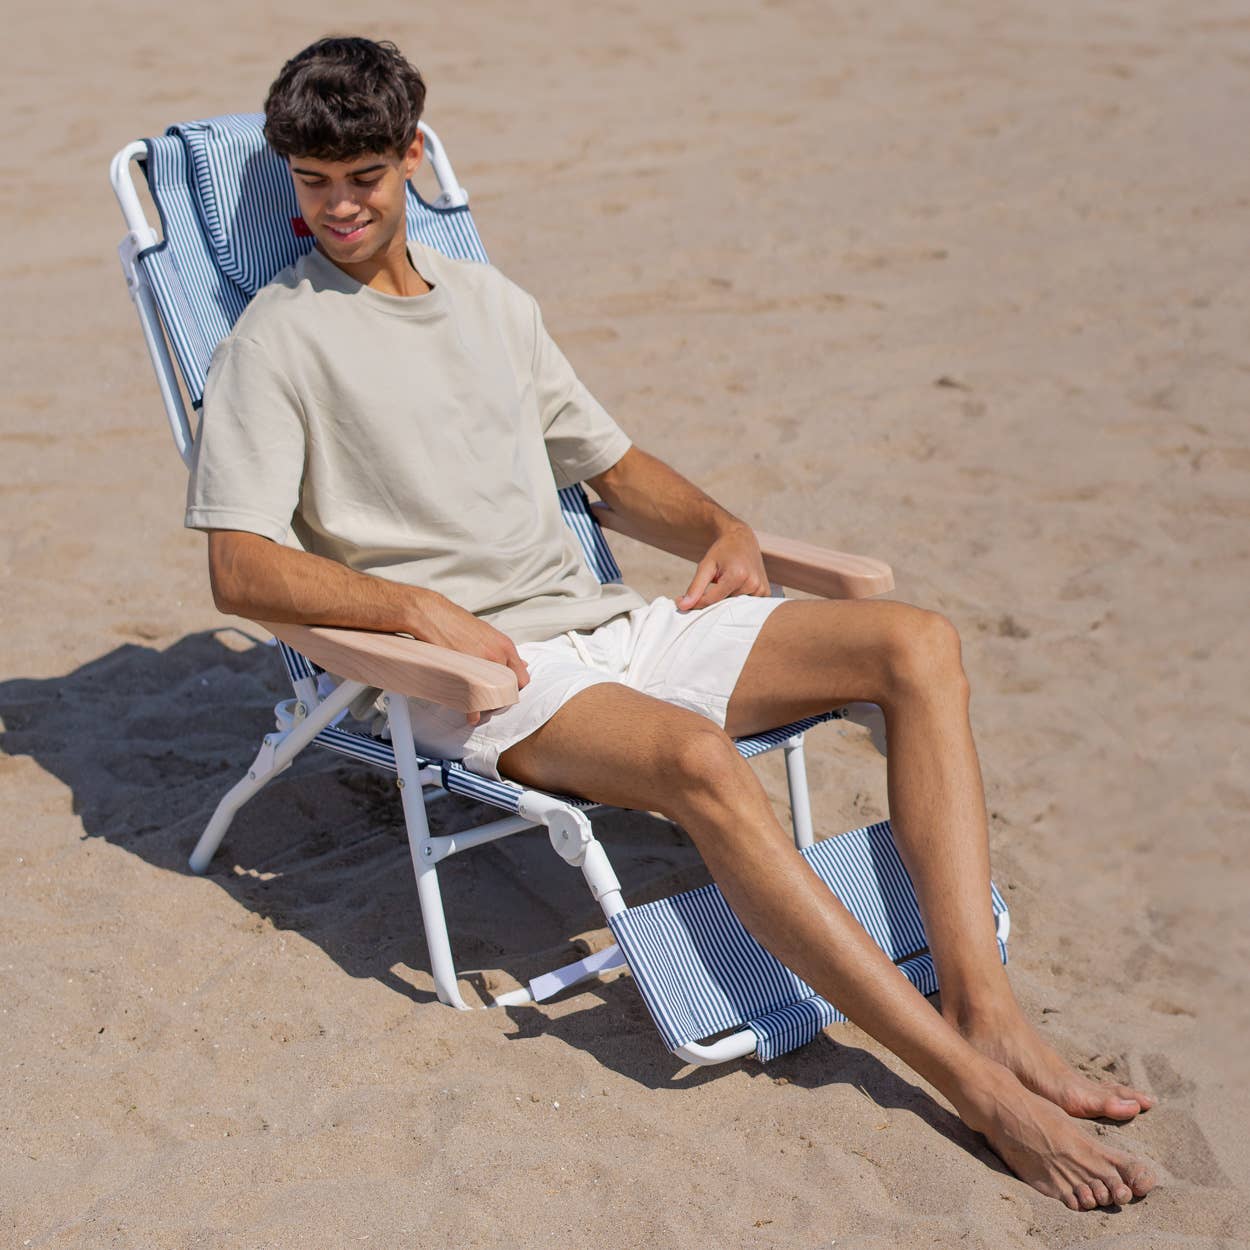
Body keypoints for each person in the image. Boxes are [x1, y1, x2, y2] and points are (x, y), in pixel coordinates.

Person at [187, 36, 1157, 1211]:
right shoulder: (274, 341)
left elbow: (606, 466)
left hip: (615, 629)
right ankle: (970, 1083)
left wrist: (718, 523)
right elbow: (239, 568)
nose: (337, 208)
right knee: (698, 761)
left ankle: (987, 1012)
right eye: (311, 183)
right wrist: (408, 603)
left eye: (362, 178)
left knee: (917, 643)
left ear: (410, 162)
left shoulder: (491, 303)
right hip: (487, 672)